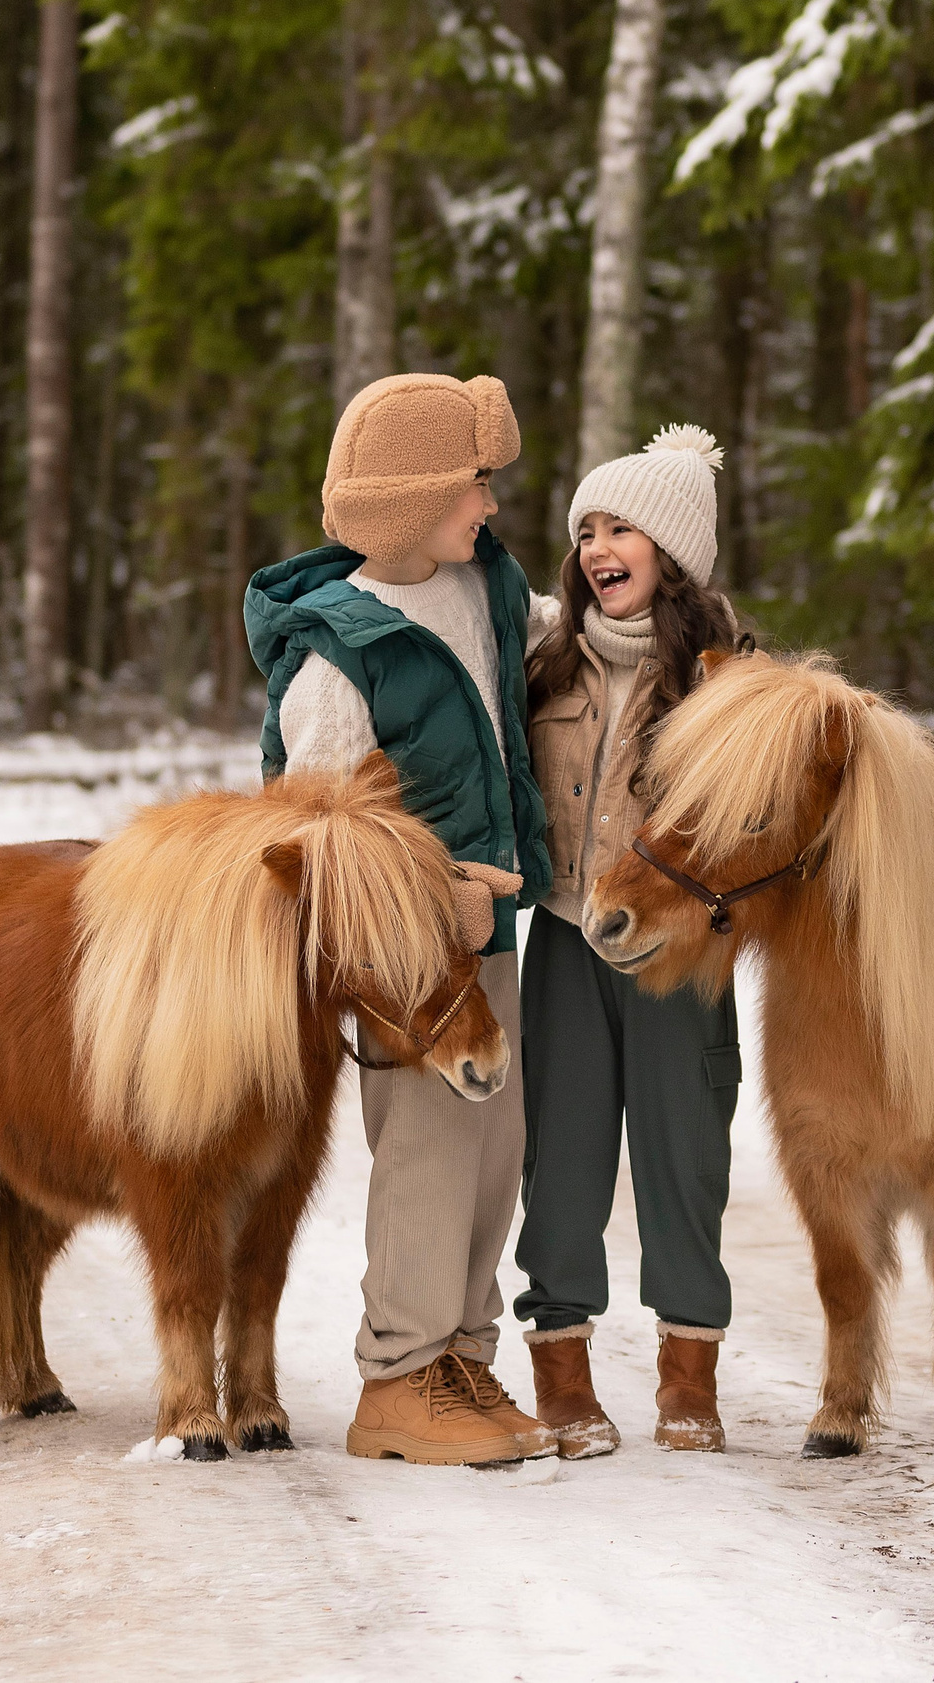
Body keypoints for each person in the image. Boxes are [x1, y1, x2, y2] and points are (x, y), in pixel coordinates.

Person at [244, 373, 558, 1467]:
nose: (491, 507)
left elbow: (556, 646)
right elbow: (322, 839)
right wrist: (436, 904)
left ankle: (462, 1358)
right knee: (427, 1150)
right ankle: (398, 1375)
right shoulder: (338, 655)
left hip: (494, 933)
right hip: (409, 964)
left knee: (494, 1146)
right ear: (414, 500)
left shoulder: (483, 589)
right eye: (476, 486)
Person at [514, 424, 749, 1458]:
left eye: (622, 529)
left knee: (684, 1160)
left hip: (678, 957)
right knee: (560, 1164)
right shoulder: (545, 659)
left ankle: (687, 1378)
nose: (597, 548)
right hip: (568, 941)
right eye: (587, 531)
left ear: (673, 551)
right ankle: (561, 1376)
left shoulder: (726, 681)